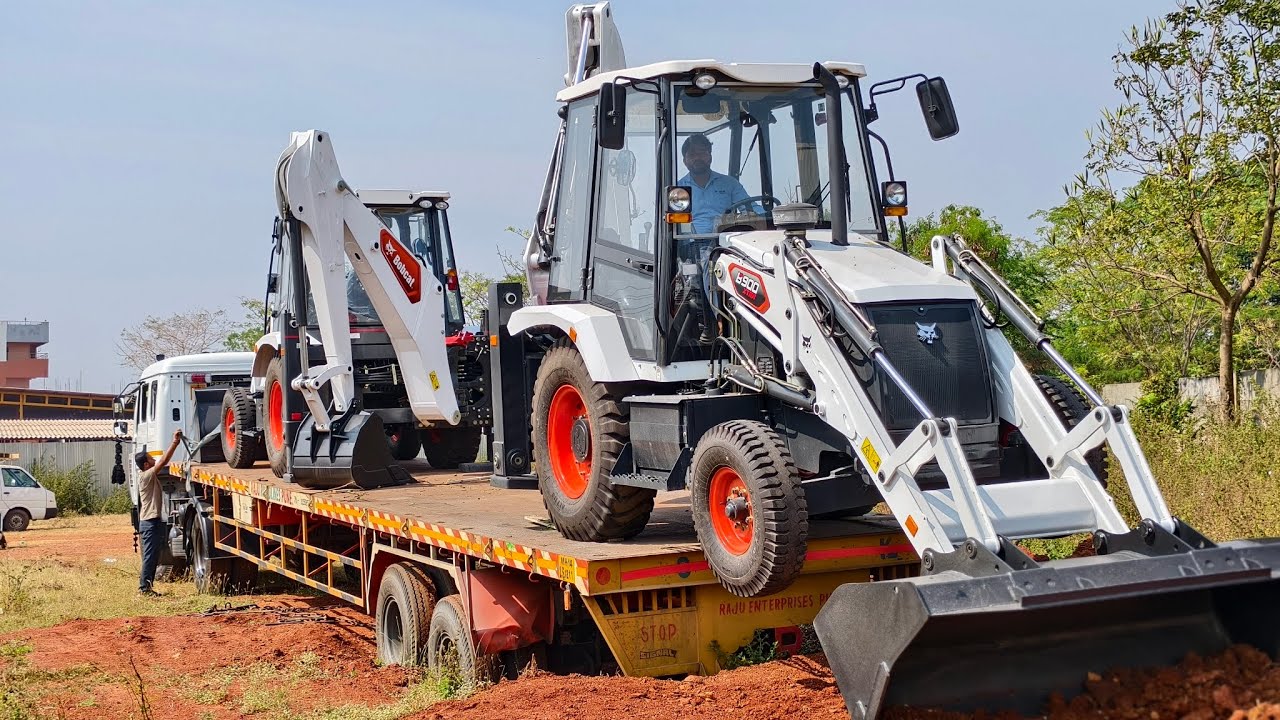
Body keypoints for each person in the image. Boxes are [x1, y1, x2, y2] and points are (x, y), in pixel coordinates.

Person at [134, 430, 183, 596]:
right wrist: (174, 443)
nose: (154, 459)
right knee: (149, 556)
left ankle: (147, 586)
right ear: (146, 465)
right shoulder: (146, 476)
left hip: (152, 521)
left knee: (153, 556)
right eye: (150, 458)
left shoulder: (147, 475)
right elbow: (163, 461)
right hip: (149, 523)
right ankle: (144, 588)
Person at [677, 133, 755, 233]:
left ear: (710, 156)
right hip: (690, 244)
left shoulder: (729, 184)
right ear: (684, 161)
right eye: (692, 155)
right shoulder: (678, 190)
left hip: (725, 243)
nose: (697, 158)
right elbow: (676, 225)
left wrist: (770, 215)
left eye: (702, 153)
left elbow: (750, 209)